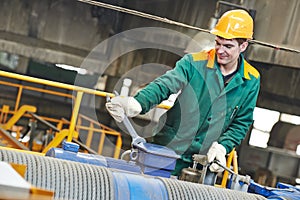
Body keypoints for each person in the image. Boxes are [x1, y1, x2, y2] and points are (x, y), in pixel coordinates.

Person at [106, 9, 260, 176]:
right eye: (218, 43)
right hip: (166, 150)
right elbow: (166, 84)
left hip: (203, 161)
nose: (220, 50)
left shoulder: (251, 80)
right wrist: (138, 102)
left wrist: (223, 147)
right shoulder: (194, 63)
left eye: (228, 46)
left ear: (243, 46)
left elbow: (241, 122)